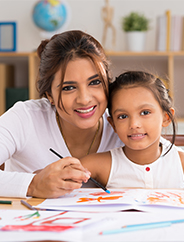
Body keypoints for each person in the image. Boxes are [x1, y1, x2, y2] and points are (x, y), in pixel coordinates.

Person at [0, 30, 123, 198]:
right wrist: (33, 185)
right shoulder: (25, 117)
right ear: (49, 95)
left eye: (95, 82)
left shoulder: (124, 123)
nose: (84, 99)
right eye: (69, 87)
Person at [81, 71, 184, 189]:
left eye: (145, 112)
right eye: (123, 116)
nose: (134, 124)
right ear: (113, 124)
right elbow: (63, 176)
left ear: (166, 117)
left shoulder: (180, 162)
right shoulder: (100, 165)